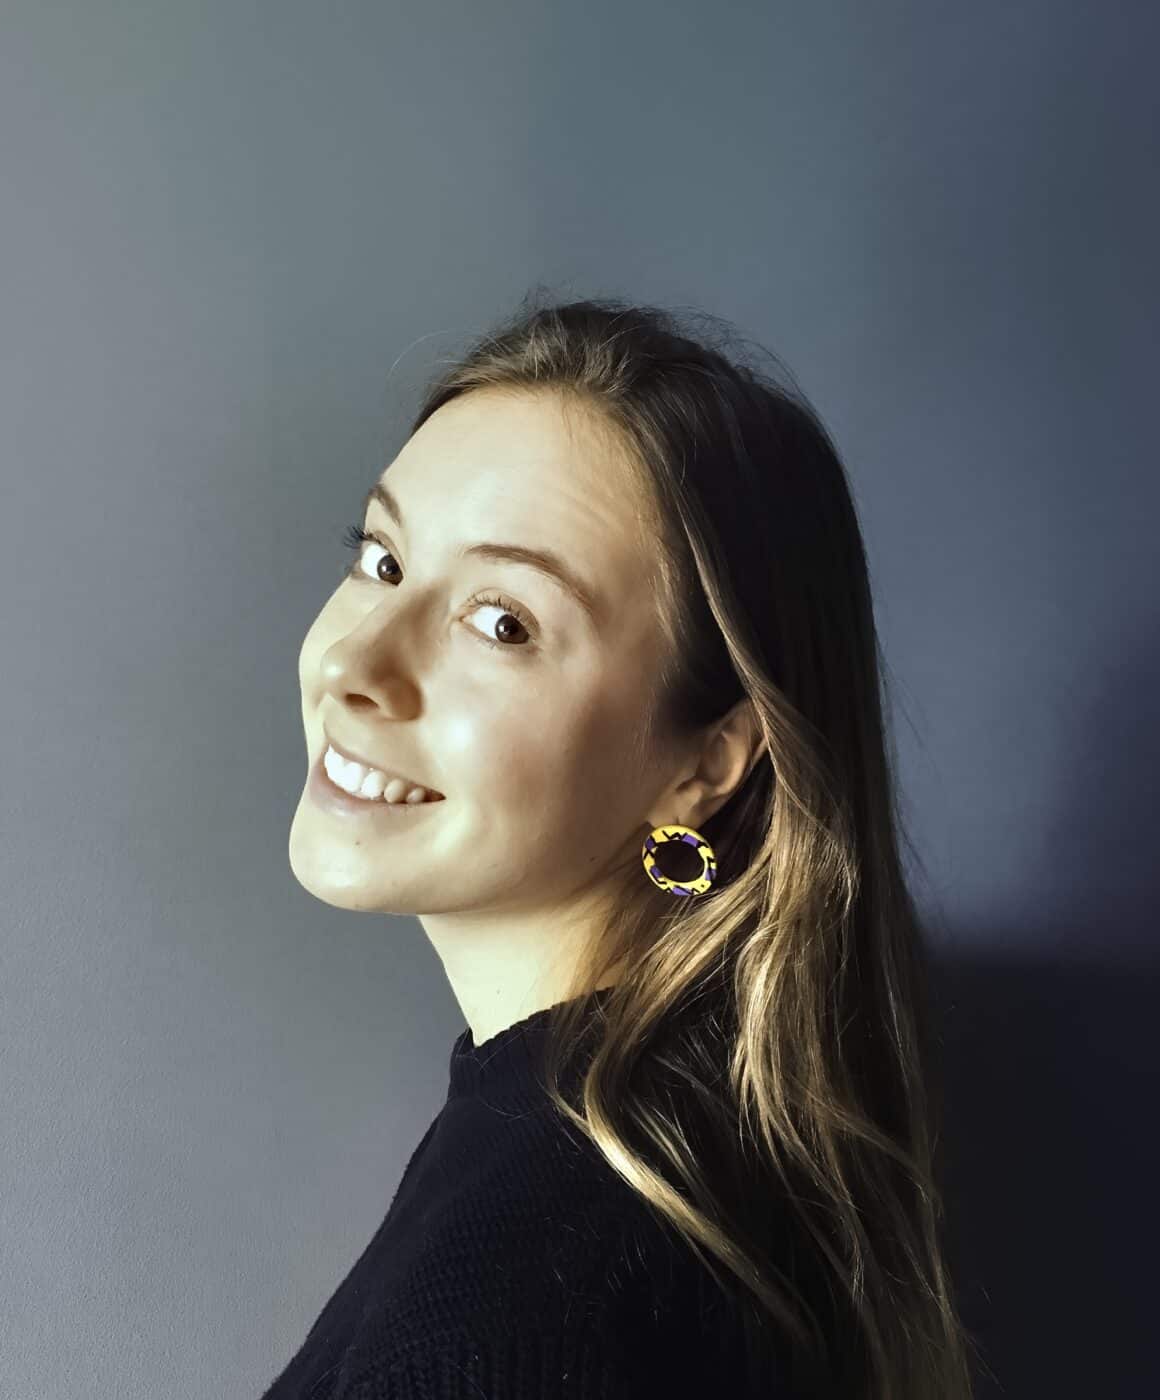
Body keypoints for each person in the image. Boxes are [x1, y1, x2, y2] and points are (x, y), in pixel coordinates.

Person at [268, 294, 981, 1398]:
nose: (356, 664)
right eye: (382, 560)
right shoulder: (637, 1154)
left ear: (704, 763)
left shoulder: (535, 1283)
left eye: (502, 622)